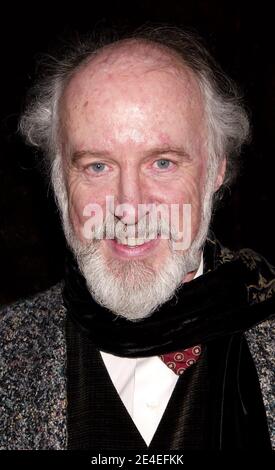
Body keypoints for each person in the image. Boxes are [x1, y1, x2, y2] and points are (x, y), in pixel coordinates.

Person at [0, 26, 274, 451]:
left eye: (162, 163)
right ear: (57, 180)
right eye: (97, 167)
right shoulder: (7, 350)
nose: (128, 208)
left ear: (215, 169)